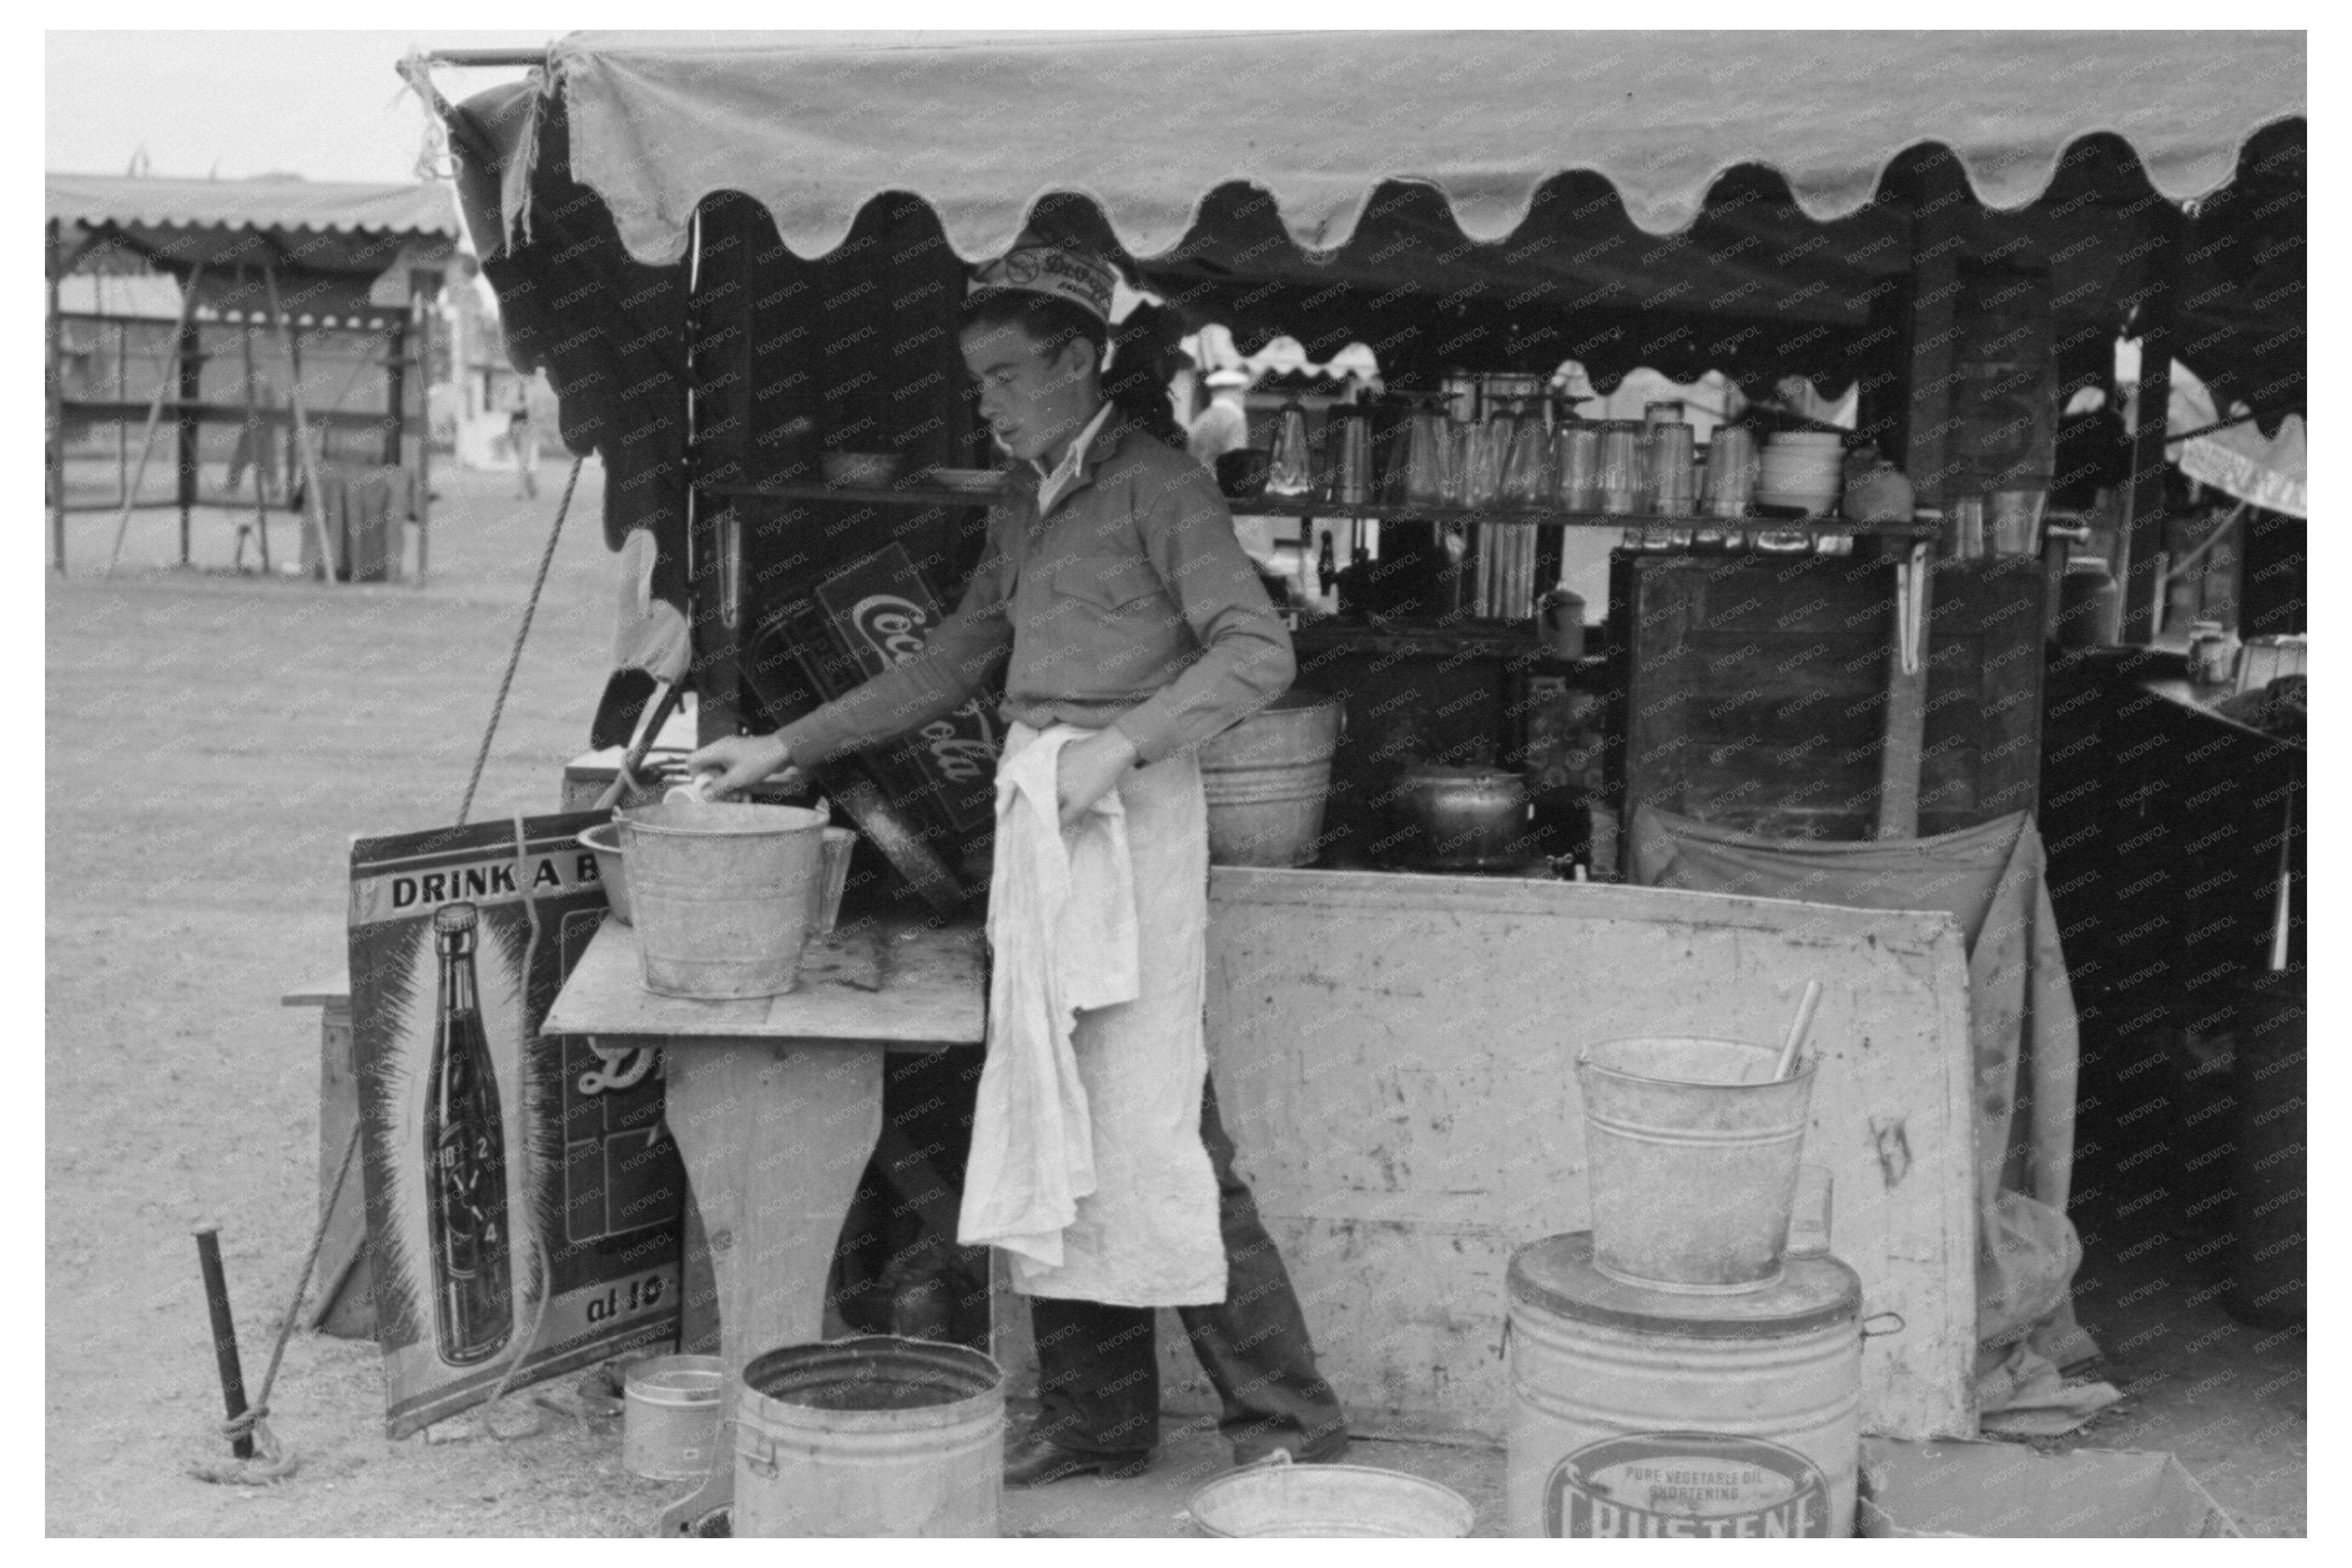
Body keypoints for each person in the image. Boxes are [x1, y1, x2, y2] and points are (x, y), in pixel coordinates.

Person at [690, 241, 1350, 1486]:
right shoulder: (1021, 499)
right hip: (1043, 817)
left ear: (1078, 361)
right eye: (976, 381)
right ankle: (1100, 1421)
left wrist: (1125, 745)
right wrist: (779, 745)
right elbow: (954, 659)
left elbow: (1258, 652)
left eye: (1003, 377)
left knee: (1160, 1127)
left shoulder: (1161, 488)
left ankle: (1292, 1429)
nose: (985, 403)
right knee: (1051, 1116)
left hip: (1130, 819)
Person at [1186, 366, 1252, 470]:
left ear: (1214, 393)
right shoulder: (1235, 419)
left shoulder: (1202, 417)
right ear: (1234, 391)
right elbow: (1238, 462)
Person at [509, 402, 540, 499]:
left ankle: (520, 491)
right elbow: (507, 407)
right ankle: (532, 488)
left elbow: (534, 413)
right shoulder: (514, 396)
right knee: (523, 463)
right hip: (515, 428)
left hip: (526, 428)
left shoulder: (529, 396)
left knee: (523, 462)